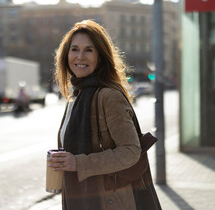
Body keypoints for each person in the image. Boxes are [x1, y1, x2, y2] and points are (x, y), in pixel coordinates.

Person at [49, 19, 161, 210]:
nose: (80, 56)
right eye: (74, 49)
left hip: (110, 201)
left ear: (100, 57)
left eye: (89, 50)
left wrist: (77, 163)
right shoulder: (76, 97)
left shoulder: (108, 96)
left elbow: (131, 151)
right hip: (82, 197)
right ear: (66, 55)